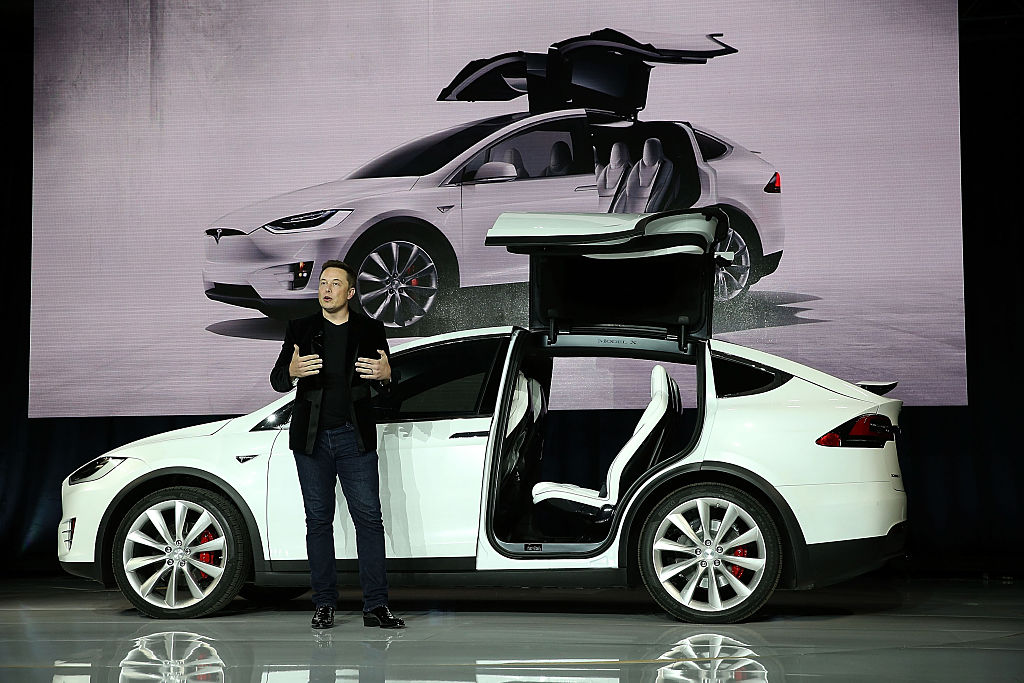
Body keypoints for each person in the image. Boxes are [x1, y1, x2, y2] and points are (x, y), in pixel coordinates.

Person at [270, 260, 405, 630]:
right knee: (318, 522)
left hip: (354, 436)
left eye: (335, 284)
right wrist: (291, 373)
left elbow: (388, 384)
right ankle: (324, 604)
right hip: (311, 439)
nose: (326, 289)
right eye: (322, 283)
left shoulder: (370, 329)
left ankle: (376, 605)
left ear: (350, 293)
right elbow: (278, 379)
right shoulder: (300, 329)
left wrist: (388, 376)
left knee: (370, 521)